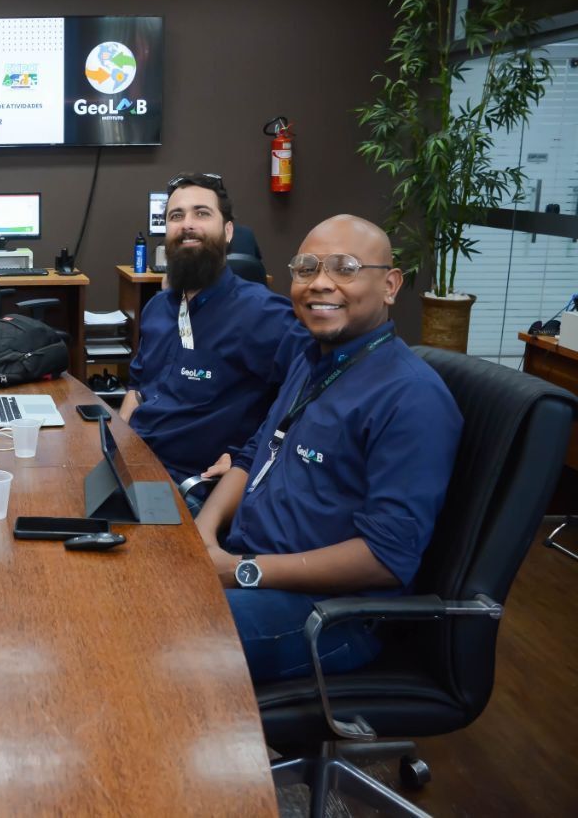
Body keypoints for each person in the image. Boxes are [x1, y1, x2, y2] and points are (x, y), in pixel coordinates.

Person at [193, 215, 463, 683]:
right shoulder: (313, 360)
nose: (319, 283)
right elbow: (256, 453)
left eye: (344, 268)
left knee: (164, 631)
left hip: (332, 615)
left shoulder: (412, 397)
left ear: (390, 286)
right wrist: (203, 533)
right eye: (306, 268)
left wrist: (240, 570)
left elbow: (385, 558)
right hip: (249, 559)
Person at [118, 173, 308, 507]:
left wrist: (246, 459)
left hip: (191, 485)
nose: (187, 224)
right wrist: (116, 445)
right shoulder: (158, 308)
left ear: (228, 231)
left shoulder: (264, 315)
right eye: (176, 216)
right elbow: (137, 388)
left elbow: (313, 395)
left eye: (202, 213)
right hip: (134, 465)